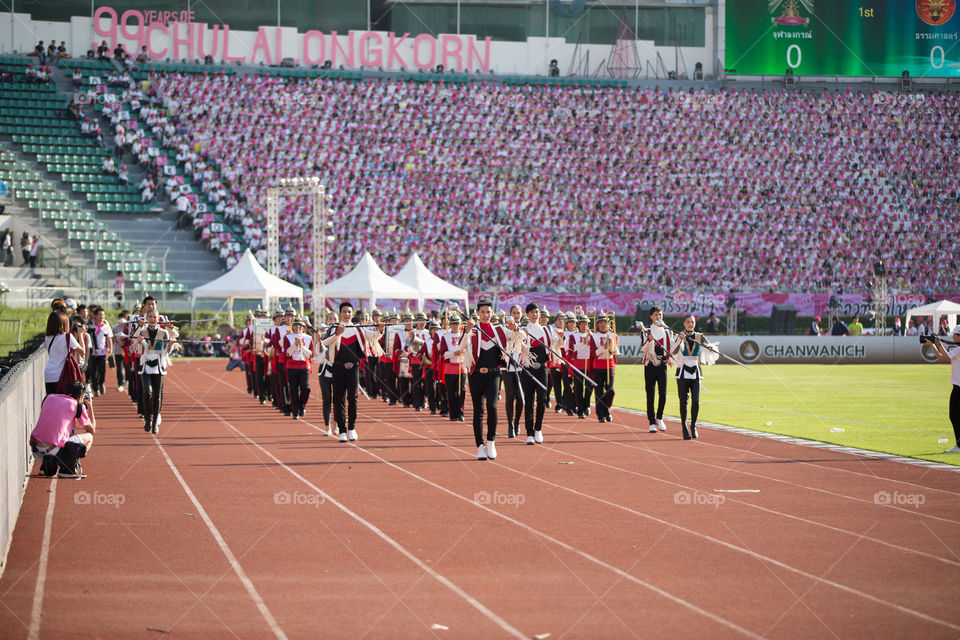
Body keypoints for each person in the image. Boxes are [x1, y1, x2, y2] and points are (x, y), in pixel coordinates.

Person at [462, 298, 508, 460]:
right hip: (475, 375)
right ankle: (480, 446)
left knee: (493, 407)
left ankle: (491, 441)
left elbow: (518, 336)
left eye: (488, 312)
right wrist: (467, 330)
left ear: (492, 313)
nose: (485, 315)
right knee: (478, 411)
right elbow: (461, 347)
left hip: (493, 374)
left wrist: (517, 330)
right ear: (478, 313)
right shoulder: (472, 329)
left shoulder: (499, 330)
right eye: (482, 312)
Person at [30, 381, 95, 478]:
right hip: (53, 450)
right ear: (80, 397)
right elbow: (91, 430)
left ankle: (46, 464)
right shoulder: (77, 406)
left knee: (59, 432)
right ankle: (68, 468)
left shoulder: (49, 398)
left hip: (35, 450)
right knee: (89, 437)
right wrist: (90, 407)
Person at [670, 315, 719, 440]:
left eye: (692, 322)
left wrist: (710, 348)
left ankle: (693, 425)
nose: (690, 324)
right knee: (683, 401)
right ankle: (684, 427)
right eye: (688, 322)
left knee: (696, 401)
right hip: (682, 372)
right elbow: (672, 352)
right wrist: (680, 340)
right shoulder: (678, 336)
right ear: (684, 323)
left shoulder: (700, 336)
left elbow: (711, 349)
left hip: (696, 372)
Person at [328, 302, 368, 442]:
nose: (347, 314)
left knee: (352, 397)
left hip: (354, 369)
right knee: (338, 399)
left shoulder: (358, 328)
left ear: (352, 314)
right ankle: (342, 430)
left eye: (349, 312)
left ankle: (351, 428)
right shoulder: (334, 327)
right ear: (340, 313)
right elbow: (325, 342)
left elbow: (372, 337)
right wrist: (337, 334)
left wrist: (380, 330)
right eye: (344, 311)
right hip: (338, 368)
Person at [132, 309, 171, 434]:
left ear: (158, 318)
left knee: (157, 395)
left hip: (158, 367)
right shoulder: (142, 332)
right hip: (146, 367)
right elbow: (138, 351)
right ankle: (147, 419)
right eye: (150, 317)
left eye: (155, 317)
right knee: (147, 392)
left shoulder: (164, 333)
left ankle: (155, 423)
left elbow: (166, 353)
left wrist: (170, 345)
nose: (153, 319)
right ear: (147, 318)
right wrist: (139, 343)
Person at [520, 302, 551, 444]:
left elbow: (558, 345)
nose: (534, 314)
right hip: (527, 369)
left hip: (542, 369)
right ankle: (529, 433)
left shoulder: (546, 330)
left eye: (536, 312)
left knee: (542, 399)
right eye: (531, 312)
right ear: (527, 314)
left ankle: (538, 428)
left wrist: (562, 339)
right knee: (529, 400)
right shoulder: (522, 330)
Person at [641, 306, 671, 432]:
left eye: (659, 314)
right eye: (655, 315)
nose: (658, 317)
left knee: (663, 393)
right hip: (650, 365)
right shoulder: (646, 331)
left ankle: (659, 417)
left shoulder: (667, 330)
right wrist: (649, 340)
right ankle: (651, 422)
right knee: (650, 394)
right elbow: (643, 349)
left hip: (662, 365)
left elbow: (671, 348)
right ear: (651, 317)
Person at [930, 327, 960, 453]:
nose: (953, 336)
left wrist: (932, 345)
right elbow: (946, 355)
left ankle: (959, 446)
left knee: (954, 416)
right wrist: (937, 343)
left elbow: (942, 358)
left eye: (955, 334)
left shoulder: (958, 350)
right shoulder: (957, 349)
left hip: (958, 388)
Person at [43, 311, 83, 395]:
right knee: (64, 402)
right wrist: (81, 334)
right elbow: (82, 352)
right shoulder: (67, 337)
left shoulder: (47, 338)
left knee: (53, 401)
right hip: (64, 374)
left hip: (49, 374)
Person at [588, 314, 619, 424]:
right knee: (599, 391)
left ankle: (605, 409)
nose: (603, 324)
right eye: (600, 322)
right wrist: (603, 348)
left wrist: (610, 346)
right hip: (597, 365)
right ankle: (601, 415)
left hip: (609, 364)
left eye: (605, 322)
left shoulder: (613, 335)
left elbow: (614, 352)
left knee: (610, 390)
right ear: (597, 324)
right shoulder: (593, 336)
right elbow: (593, 353)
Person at [500, 305, 525, 436]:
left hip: (520, 365)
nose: (516, 315)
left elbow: (525, 339)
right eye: (513, 313)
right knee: (510, 395)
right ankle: (510, 424)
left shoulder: (524, 328)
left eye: (518, 313)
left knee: (521, 397)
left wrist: (517, 329)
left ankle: (517, 422)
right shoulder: (503, 328)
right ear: (510, 314)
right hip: (506, 365)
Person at [437, 315, 467, 422]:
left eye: (457, 323)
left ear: (460, 325)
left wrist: (464, 352)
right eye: (453, 324)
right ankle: (453, 414)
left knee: (462, 390)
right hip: (450, 368)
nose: (455, 326)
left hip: (462, 367)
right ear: (450, 325)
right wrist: (455, 353)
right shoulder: (445, 337)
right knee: (451, 392)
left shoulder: (464, 335)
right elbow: (443, 354)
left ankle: (460, 413)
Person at [283, 317, 312, 419]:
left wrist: (302, 347)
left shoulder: (308, 338)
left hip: (304, 365)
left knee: (306, 388)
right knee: (293, 389)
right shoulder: (288, 337)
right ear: (293, 327)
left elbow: (310, 355)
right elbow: (287, 353)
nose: (298, 328)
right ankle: (295, 411)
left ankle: (302, 406)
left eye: (300, 326)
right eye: (296, 326)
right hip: (292, 365)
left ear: (303, 327)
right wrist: (295, 345)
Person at [315, 311, 339, 436]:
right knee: (327, 399)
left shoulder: (341, 334)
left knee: (337, 399)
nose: (332, 321)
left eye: (335, 319)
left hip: (338, 371)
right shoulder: (322, 333)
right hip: (324, 370)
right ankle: (327, 427)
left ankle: (336, 424)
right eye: (330, 319)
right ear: (327, 321)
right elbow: (318, 353)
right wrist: (319, 341)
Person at [568, 314, 593, 419]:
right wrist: (583, 343)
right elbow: (572, 349)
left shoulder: (592, 335)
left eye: (586, 323)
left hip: (589, 364)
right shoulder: (574, 336)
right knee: (578, 388)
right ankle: (580, 410)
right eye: (582, 323)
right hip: (578, 363)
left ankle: (586, 405)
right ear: (578, 324)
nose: (584, 325)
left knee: (589, 387)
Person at [87, 305, 113, 396]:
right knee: (93, 371)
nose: (101, 317)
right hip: (92, 353)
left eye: (103, 315)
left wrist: (110, 349)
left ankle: (101, 383)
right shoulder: (91, 325)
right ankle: (95, 387)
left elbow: (109, 339)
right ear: (95, 316)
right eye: (100, 315)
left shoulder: (106, 326)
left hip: (102, 352)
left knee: (102, 370)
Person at [111, 310, 128, 391]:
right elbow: (112, 338)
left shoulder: (128, 327)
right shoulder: (115, 327)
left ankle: (127, 382)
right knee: (119, 368)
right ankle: (120, 384)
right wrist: (117, 340)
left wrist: (124, 343)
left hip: (126, 351)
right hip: (118, 350)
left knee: (127, 367)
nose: (122, 320)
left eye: (123, 318)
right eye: (120, 318)